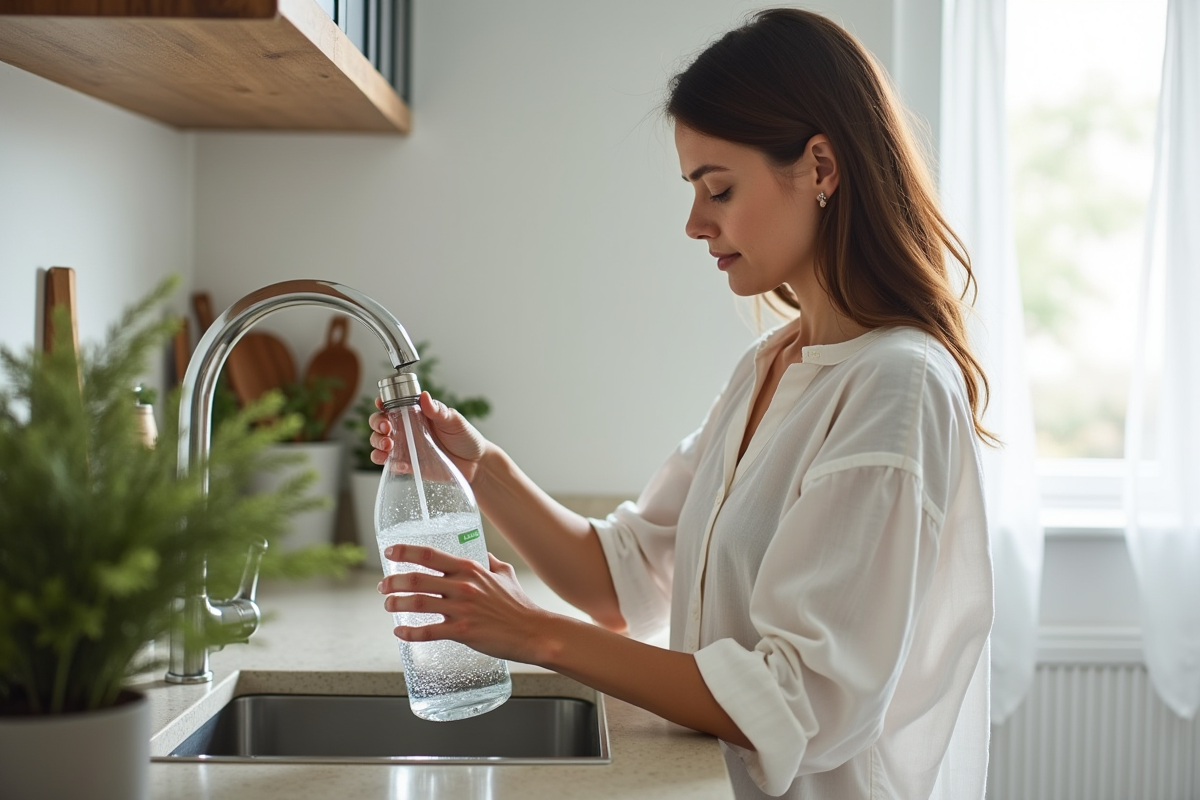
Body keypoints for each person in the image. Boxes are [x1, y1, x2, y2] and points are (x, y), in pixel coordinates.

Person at [369, 9, 993, 799]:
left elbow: (799, 700)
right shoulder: (772, 366)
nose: (696, 223)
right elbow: (623, 579)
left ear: (822, 167)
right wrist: (475, 465)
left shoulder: (896, 387)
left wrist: (531, 631)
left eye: (719, 189)